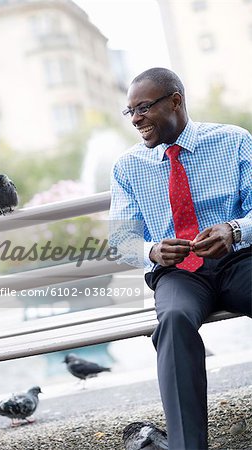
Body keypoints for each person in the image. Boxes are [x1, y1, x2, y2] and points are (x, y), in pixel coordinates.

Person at [109, 67, 252, 449]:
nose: (136, 118)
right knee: (172, 320)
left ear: (175, 101)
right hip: (178, 274)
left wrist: (234, 229)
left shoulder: (233, 141)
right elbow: (121, 239)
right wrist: (151, 251)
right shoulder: (127, 167)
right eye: (130, 112)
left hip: (239, 261)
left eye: (143, 107)